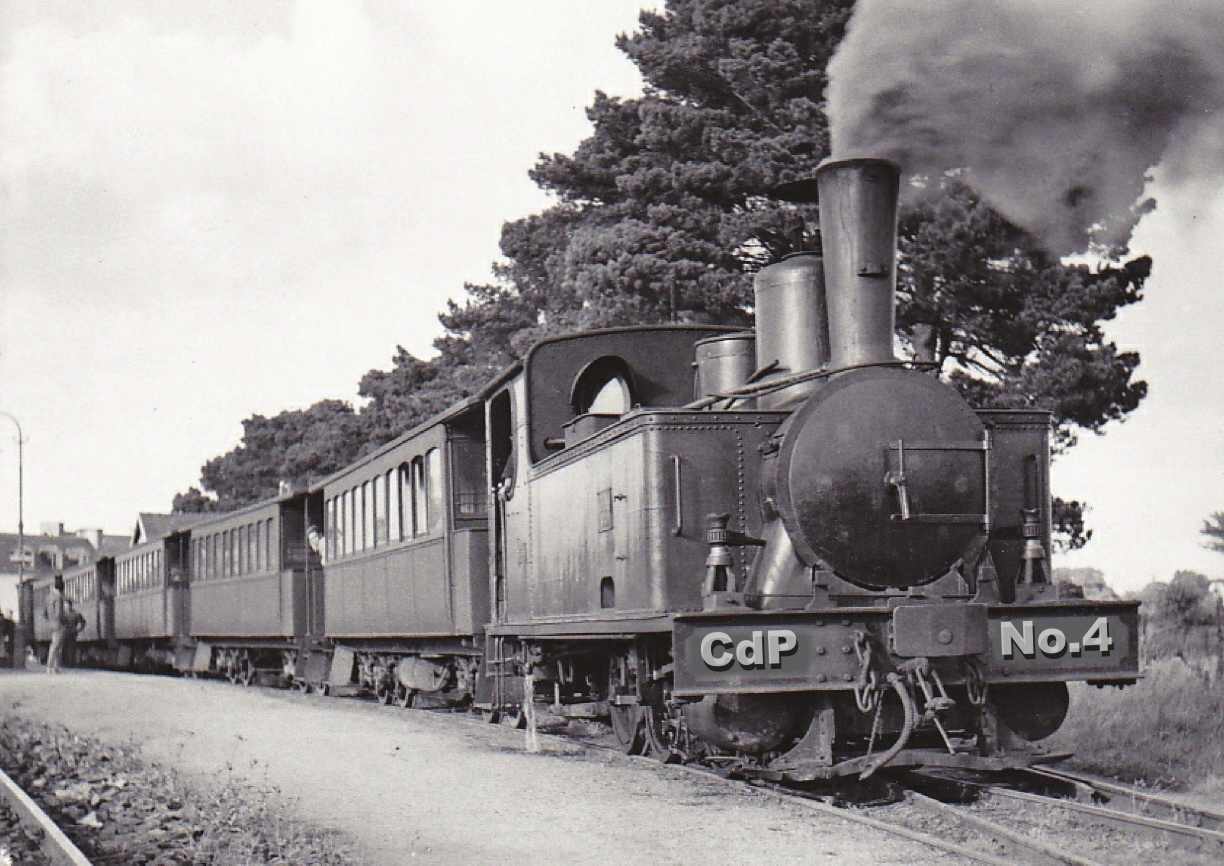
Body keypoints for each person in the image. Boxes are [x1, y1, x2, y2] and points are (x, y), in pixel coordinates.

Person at [43, 574, 70, 674]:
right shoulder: (59, 597)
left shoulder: (48, 597)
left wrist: (50, 620)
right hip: (59, 624)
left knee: (56, 645)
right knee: (56, 646)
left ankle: (55, 667)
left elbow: (44, 613)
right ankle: (51, 667)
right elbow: (59, 613)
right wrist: (65, 621)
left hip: (51, 624)